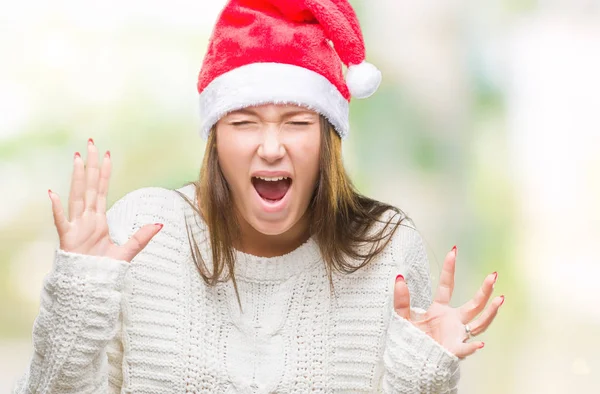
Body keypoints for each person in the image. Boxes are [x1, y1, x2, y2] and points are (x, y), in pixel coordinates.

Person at [14, 0, 504, 392]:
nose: (271, 149)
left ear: (329, 138)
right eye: (244, 123)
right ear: (215, 140)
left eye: (296, 122)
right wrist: (81, 296)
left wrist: (421, 376)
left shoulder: (387, 251)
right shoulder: (144, 231)